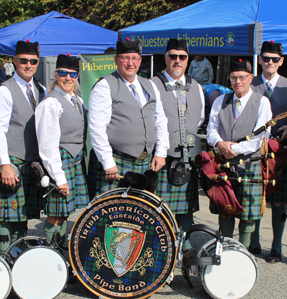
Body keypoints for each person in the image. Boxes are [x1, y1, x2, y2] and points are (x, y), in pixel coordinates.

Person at [0, 40, 46, 256]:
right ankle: (3, 256)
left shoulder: (40, 90)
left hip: (31, 161)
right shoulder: (4, 91)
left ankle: (18, 256)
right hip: (12, 160)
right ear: (14, 61)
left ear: (38, 62)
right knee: (4, 214)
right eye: (23, 61)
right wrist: (5, 164)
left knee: (22, 214)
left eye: (33, 61)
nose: (28, 65)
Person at [88, 39, 169, 198]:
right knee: (110, 216)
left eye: (135, 58)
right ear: (116, 60)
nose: (130, 63)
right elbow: (97, 128)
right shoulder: (104, 86)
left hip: (145, 162)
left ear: (140, 60)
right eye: (125, 58)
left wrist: (161, 152)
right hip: (117, 161)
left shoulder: (150, 85)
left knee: (138, 215)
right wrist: (107, 162)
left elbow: (160, 119)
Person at [206, 59, 272, 249]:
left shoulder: (262, 102)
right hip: (223, 165)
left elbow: (260, 139)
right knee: (225, 208)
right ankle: (225, 248)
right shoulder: (220, 100)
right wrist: (219, 143)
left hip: (249, 164)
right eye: (234, 78)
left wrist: (232, 148)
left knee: (248, 214)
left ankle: (243, 250)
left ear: (251, 78)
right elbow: (211, 129)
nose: (238, 82)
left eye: (242, 77)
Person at [151, 39, 204, 251]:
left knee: (185, 206)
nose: (177, 61)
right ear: (165, 58)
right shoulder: (152, 84)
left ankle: (184, 245)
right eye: (173, 56)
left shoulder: (197, 87)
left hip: (187, 154)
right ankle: (161, 245)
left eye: (182, 57)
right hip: (162, 154)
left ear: (188, 60)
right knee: (161, 204)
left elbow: (199, 119)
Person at [249, 40, 287, 263]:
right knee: (257, 196)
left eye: (274, 59)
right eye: (266, 58)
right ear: (259, 60)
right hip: (255, 150)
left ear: (281, 61)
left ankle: (276, 248)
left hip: (281, 151)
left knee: (278, 200)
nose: (270, 62)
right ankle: (254, 243)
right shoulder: (249, 83)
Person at [35, 54, 89, 244]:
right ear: (56, 75)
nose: (68, 78)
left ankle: (59, 252)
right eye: (64, 73)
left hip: (74, 162)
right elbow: (47, 144)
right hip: (60, 163)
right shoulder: (51, 103)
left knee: (65, 213)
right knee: (56, 214)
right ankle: (50, 254)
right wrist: (59, 177)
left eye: (73, 74)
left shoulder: (77, 101)